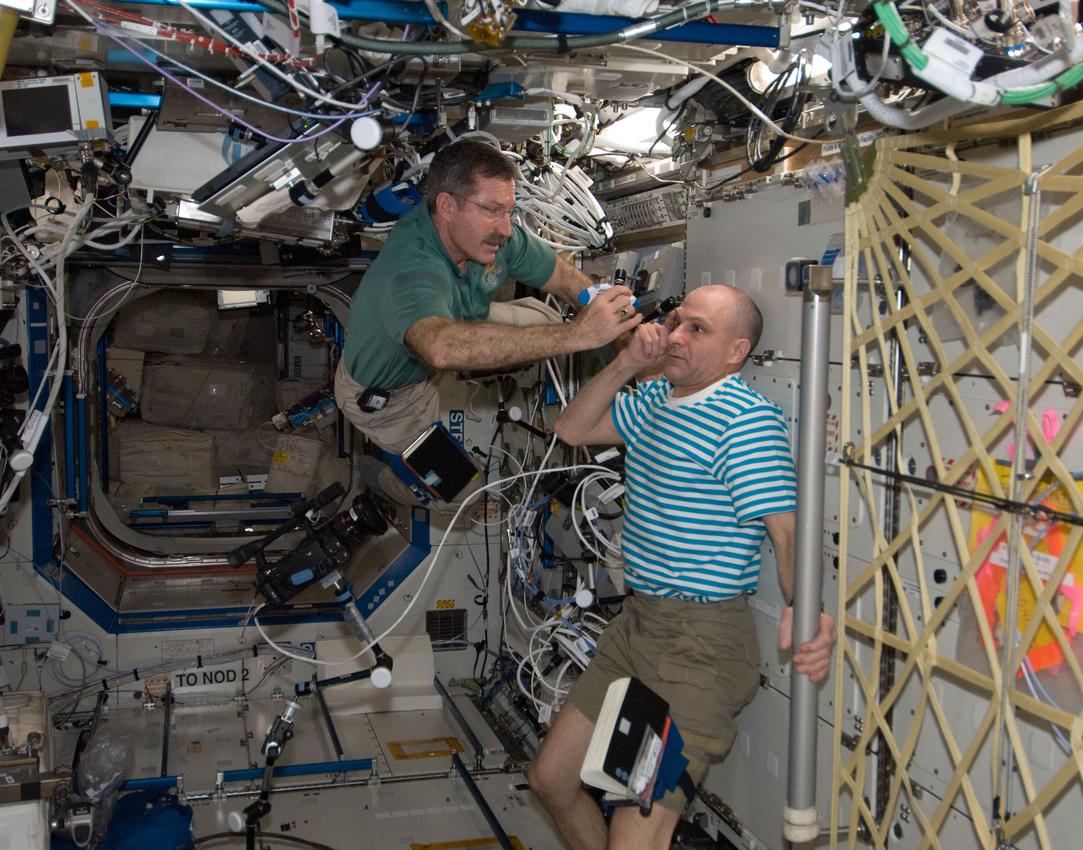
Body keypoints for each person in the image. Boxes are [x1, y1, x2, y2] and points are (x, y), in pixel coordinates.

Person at [527, 284, 836, 850]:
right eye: (675, 322)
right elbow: (571, 429)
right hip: (637, 629)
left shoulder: (744, 421)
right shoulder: (651, 401)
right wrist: (625, 361)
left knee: (636, 836)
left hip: (700, 647)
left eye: (699, 329)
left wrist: (808, 611)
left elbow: (787, 533)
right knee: (550, 780)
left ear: (736, 351)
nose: (675, 336)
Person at [334, 138, 642, 459]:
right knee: (452, 485)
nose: (506, 229)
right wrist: (579, 335)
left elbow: (564, 280)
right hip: (391, 397)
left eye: (509, 211)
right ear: (447, 206)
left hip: (454, 319)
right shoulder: (411, 269)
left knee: (547, 319)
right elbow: (442, 349)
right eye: (493, 211)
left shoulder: (492, 235)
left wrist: (626, 347)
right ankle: (386, 481)